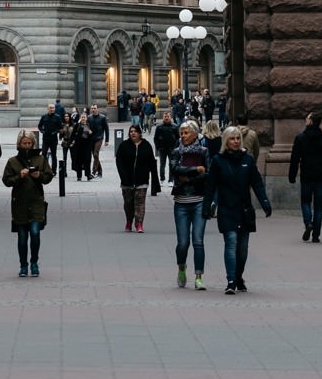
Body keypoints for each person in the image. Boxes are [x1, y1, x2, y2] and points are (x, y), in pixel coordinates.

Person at [206, 126, 271, 295]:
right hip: (227, 209)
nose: (235, 142)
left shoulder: (247, 160)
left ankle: (238, 275)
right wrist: (207, 206)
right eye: (232, 139)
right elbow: (211, 185)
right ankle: (231, 280)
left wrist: (264, 202)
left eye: (237, 139)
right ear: (226, 141)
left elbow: (256, 182)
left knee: (242, 250)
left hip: (244, 209)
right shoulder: (218, 160)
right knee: (231, 242)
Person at [2, 131, 54, 277]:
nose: (26, 146)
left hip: (36, 202)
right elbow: (6, 181)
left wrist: (39, 176)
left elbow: (48, 176)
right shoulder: (13, 161)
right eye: (24, 143)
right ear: (19, 144)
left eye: (29, 143)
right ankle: (23, 265)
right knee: (22, 237)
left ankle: (34, 262)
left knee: (35, 233)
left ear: (33, 144)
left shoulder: (40, 159)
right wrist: (19, 176)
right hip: (20, 204)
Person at [168, 121, 212, 290]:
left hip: (199, 201)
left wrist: (188, 174)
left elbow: (208, 173)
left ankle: (199, 277)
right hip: (181, 202)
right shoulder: (176, 152)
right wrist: (196, 170)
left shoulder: (204, 151)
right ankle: (181, 267)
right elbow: (175, 170)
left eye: (186, 133)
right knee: (183, 243)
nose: (183, 136)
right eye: (182, 133)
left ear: (195, 134)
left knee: (198, 241)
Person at [288, 112, 322, 243]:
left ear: (310, 121)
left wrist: (292, 175)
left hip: (307, 175)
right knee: (319, 206)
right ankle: (316, 235)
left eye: (307, 118)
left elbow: (294, 159)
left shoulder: (300, 138)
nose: (305, 119)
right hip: (321, 176)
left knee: (305, 202)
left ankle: (308, 223)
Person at [114, 124, 160, 231]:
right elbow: (119, 161)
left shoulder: (146, 145)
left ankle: (139, 223)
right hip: (127, 180)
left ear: (140, 133)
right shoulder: (124, 145)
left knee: (140, 203)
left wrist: (155, 181)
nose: (133, 133)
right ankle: (129, 221)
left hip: (142, 180)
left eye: (135, 131)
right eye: (131, 131)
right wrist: (123, 175)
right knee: (128, 203)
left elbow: (152, 163)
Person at [153, 114, 179, 183]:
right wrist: (158, 147)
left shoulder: (175, 126)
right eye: (165, 117)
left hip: (172, 149)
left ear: (170, 117)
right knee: (162, 165)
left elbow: (178, 138)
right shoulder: (159, 127)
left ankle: (171, 180)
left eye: (168, 117)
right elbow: (156, 138)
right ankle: (162, 179)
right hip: (162, 149)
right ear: (163, 118)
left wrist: (176, 147)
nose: (166, 118)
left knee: (171, 164)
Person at [87, 105, 109, 178]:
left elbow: (106, 129)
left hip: (99, 138)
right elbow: (86, 126)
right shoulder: (89, 117)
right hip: (91, 139)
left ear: (97, 109)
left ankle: (93, 171)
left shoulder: (102, 118)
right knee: (95, 156)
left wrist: (107, 140)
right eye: (92, 108)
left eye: (95, 108)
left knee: (96, 154)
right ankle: (100, 172)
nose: (93, 110)